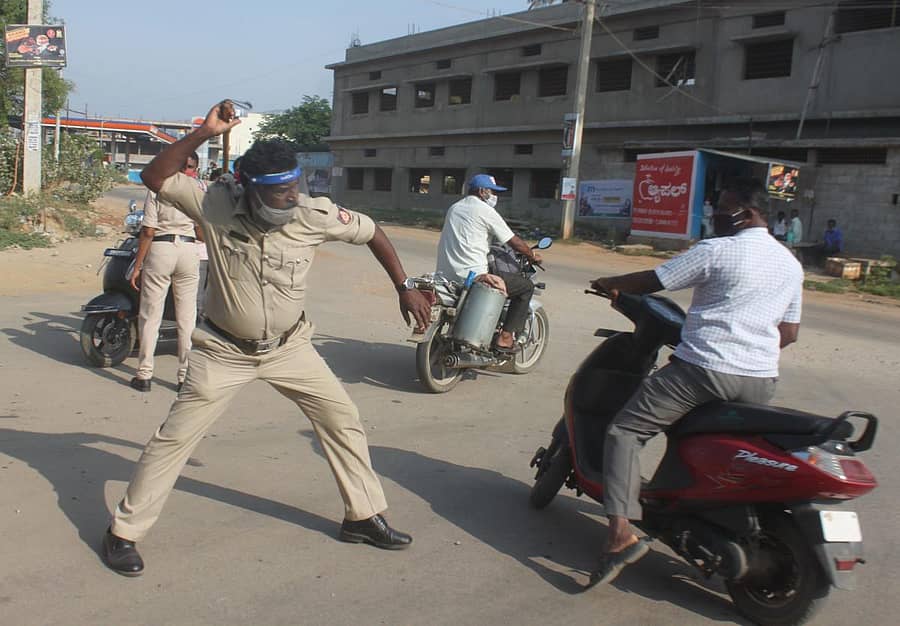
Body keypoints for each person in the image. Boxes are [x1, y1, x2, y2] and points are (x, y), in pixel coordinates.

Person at [101, 100, 432, 576]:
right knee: (172, 440)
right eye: (278, 191)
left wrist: (403, 287)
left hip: (292, 348)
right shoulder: (216, 203)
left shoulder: (315, 214)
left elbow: (373, 231)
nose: (291, 197)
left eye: (295, 185)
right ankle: (123, 533)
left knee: (343, 421)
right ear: (248, 189)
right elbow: (155, 177)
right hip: (223, 351)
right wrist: (204, 133)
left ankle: (363, 516)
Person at [586, 177, 803, 588]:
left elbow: (658, 279)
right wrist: (750, 350)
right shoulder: (790, 264)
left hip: (703, 371)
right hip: (761, 381)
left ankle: (619, 534)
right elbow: (788, 333)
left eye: (723, 206)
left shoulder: (719, 250)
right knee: (695, 436)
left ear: (747, 212)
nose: (716, 214)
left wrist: (611, 283)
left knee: (626, 430)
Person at [435, 174, 542, 351]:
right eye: (492, 191)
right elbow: (513, 241)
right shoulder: (485, 211)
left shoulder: (455, 208)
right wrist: (531, 255)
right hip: (474, 276)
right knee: (525, 287)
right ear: (483, 191)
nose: (494, 196)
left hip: (446, 275)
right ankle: (505, 338)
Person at [128, 152, 204, 392]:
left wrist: (138, 265)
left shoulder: (158, 187)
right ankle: (184, 376)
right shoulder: (197, 190)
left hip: (161, 248)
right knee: (187, 318)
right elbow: (202, 231)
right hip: (189, 250)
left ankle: (144, 375)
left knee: (151, 315)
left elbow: (148, 230)